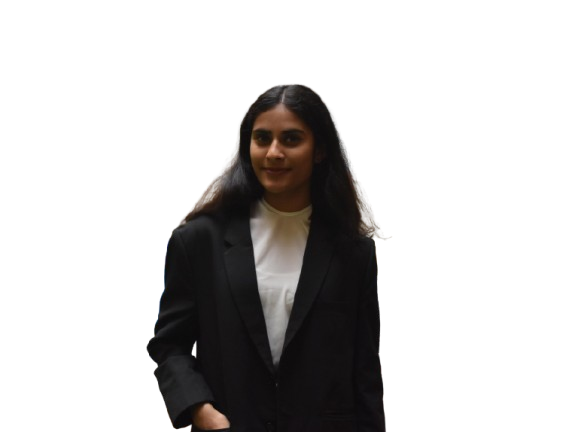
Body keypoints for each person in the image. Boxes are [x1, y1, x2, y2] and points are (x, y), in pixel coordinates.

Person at [147, 83, 389, 431]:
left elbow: (365, 368)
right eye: (262, 139)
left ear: (320, 150)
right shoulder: (199, 242)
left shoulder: (353, 250)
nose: (274, 152)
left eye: (291, 139)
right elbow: (170, 345)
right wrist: (201, 411)